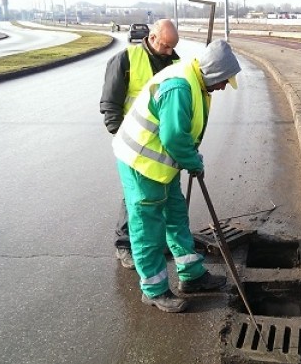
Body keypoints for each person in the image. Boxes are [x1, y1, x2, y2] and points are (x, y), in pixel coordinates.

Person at [112, 39, 241, 313]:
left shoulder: (195, 79)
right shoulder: (180, 86)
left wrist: (193, 158)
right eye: (222, 82)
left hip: (163, 163)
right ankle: (154, 289)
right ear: (213, 73)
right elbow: (172, 136)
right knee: (149, 227)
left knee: (176, 215)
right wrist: (192, 161)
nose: (222, 87)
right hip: (142, 163)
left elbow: (182, 131)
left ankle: (191, 275)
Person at [100, 19, 180, 269]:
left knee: (160, 197)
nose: (169, 52)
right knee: (134, 197)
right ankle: (125, 245)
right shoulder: (126, 60)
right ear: (153, 37)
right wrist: (123, 137)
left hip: (161, 146)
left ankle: (156, 243)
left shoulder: (176, 63)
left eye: (172, 47)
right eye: (166, 46)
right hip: (133, 144)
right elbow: (110, 105)